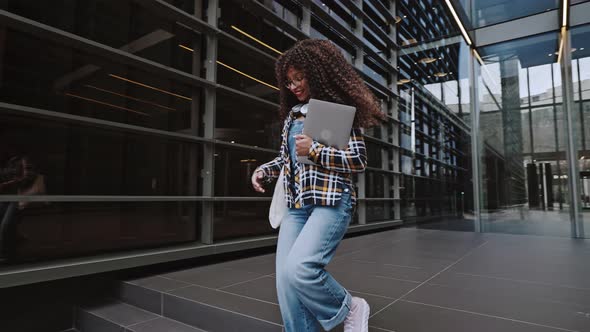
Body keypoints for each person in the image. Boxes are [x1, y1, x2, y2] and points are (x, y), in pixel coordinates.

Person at [251, 39, 385, 332]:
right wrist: (264, 170)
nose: (294, 85)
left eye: (300, 77)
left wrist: (315, 150)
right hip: (297, 206)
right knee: (285, 282)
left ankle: (350, 307)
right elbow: (289, 159)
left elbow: (358, 160)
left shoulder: (335, 110)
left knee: (300, 269)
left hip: (331, 201)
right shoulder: (293, 114)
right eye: (289, 81)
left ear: (318, 73)